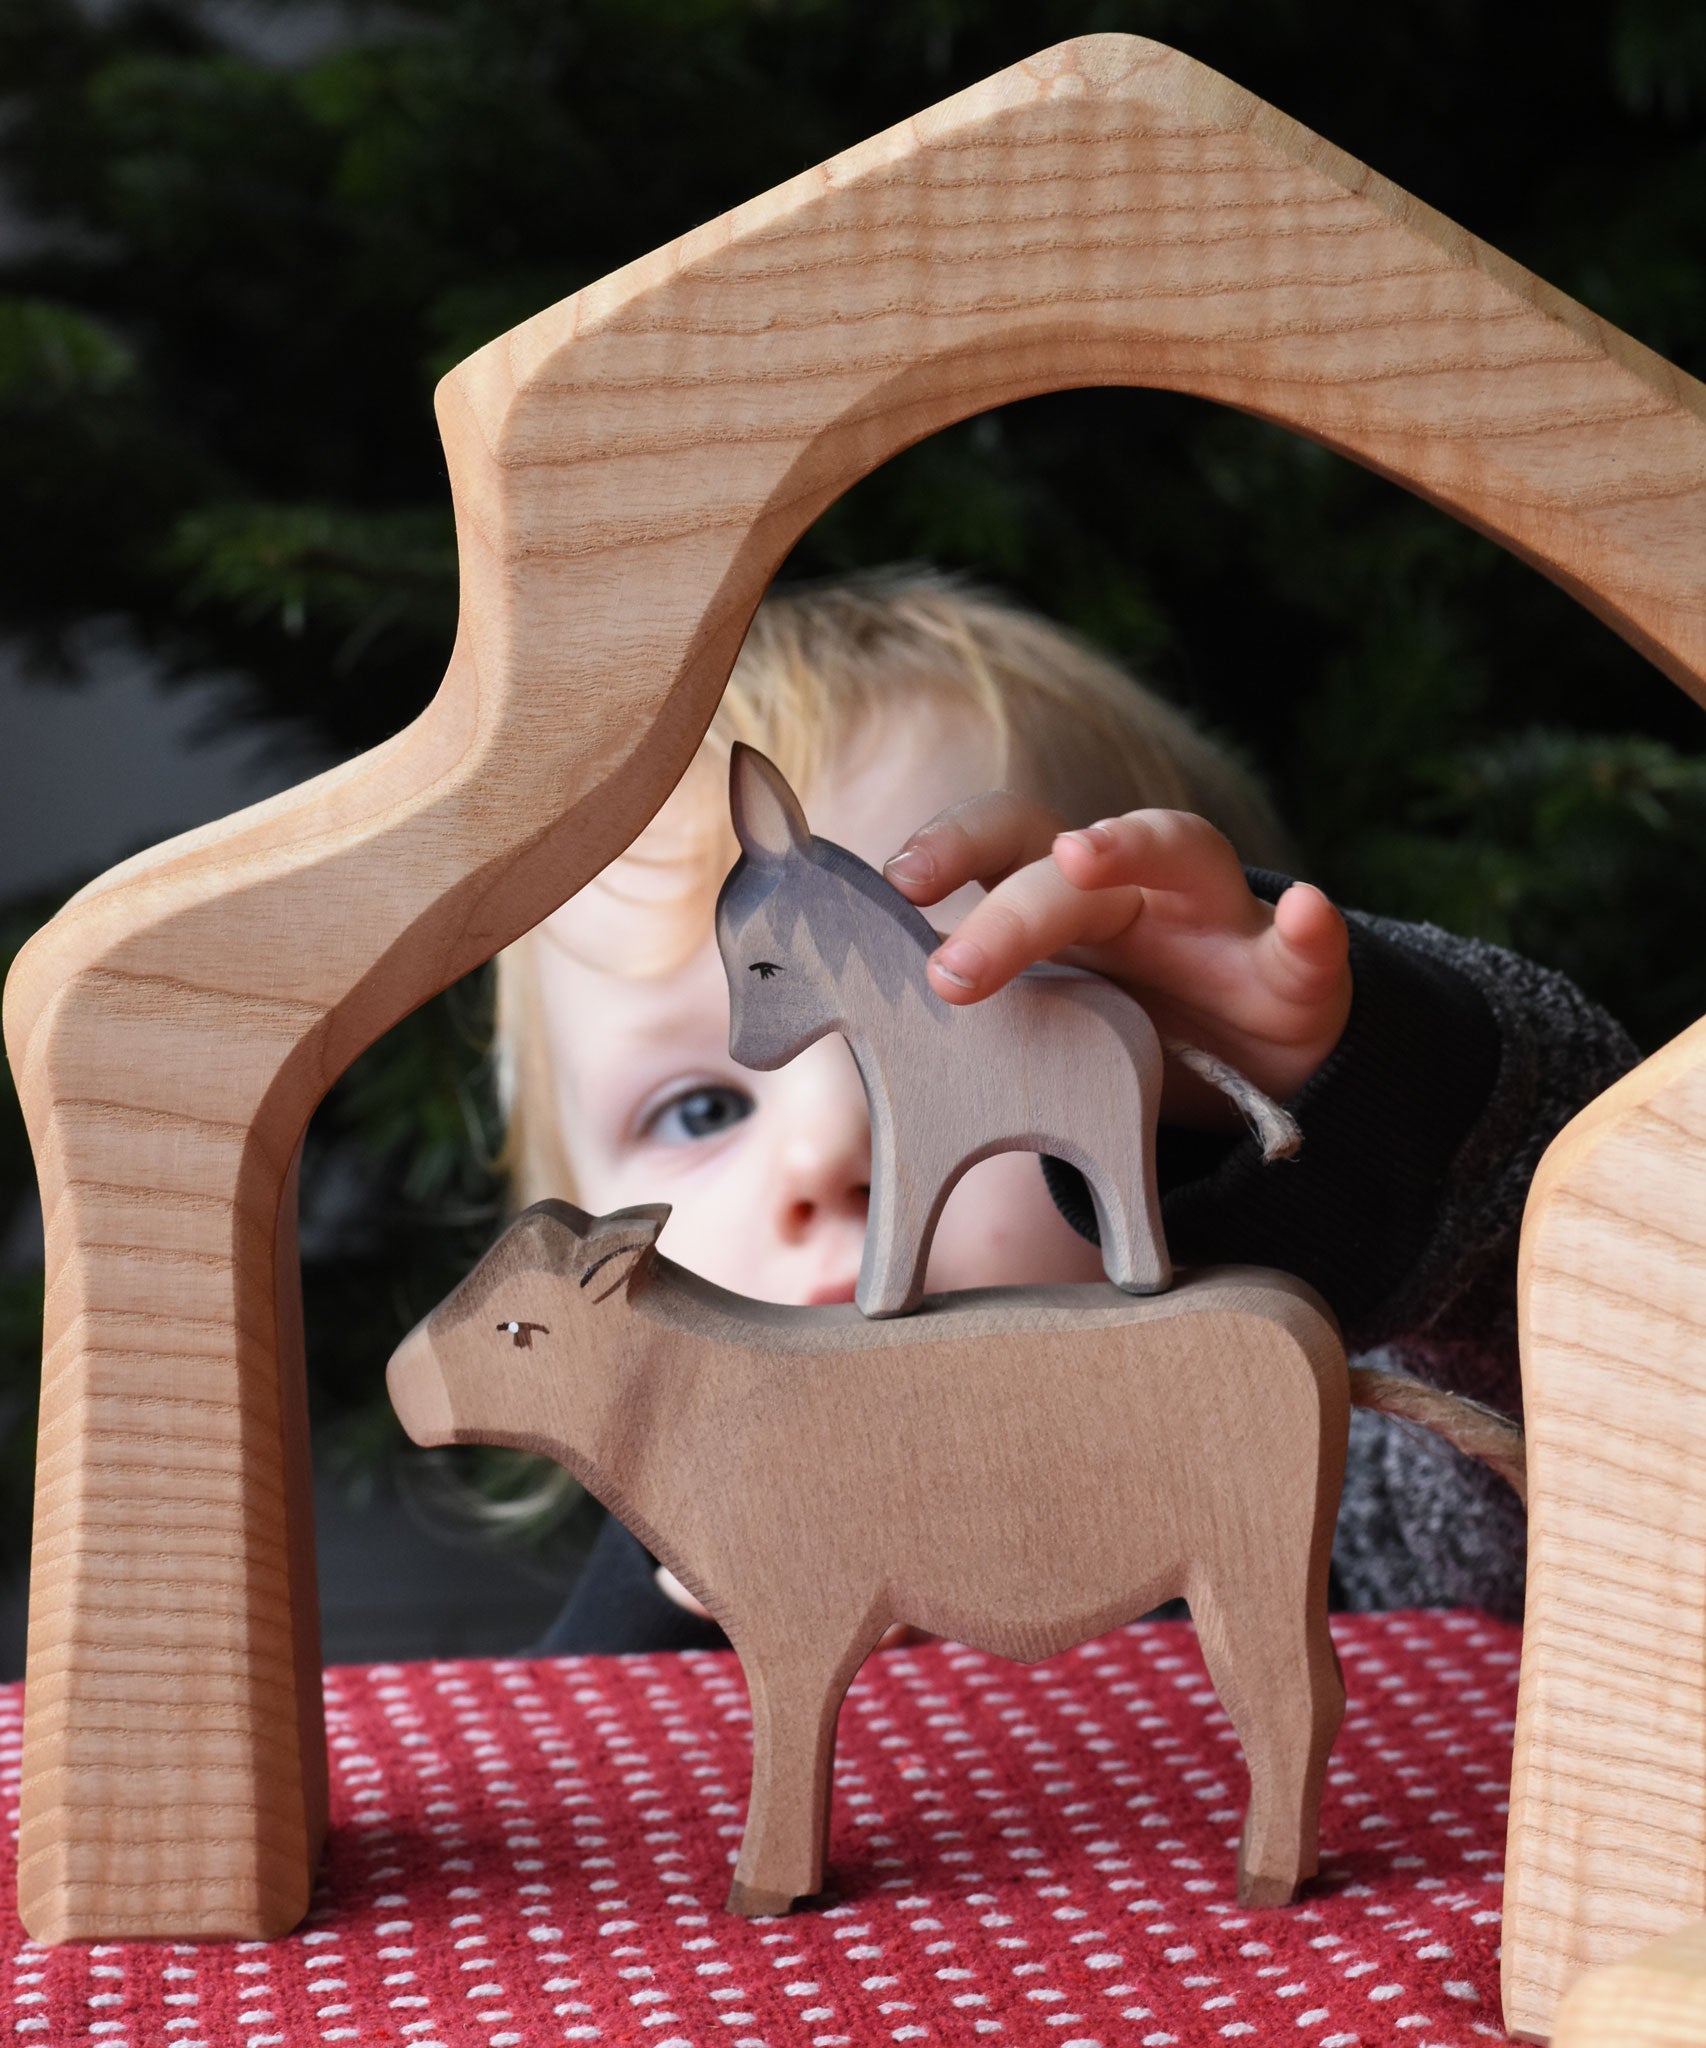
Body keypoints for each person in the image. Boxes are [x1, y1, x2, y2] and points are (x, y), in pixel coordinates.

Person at [493, 568, 1636, 1652]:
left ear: (1188, 1109)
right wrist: (686, 1593)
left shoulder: (1330, 1490)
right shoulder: (659, 1577)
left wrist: (1368, 1091)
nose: (825, 1155)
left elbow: (1624, 1404)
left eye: (994, 1023)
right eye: (698, 1110)